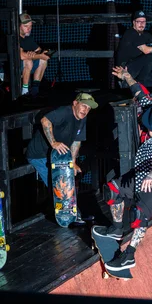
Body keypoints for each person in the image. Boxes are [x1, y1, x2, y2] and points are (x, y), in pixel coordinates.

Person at [92, 66, 152, 272]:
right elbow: (141, 93)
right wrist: (127, 76)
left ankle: (129, 255)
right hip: (141, 173)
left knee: (139, 214)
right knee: (112, 189)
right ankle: (115, 229)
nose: (149, 131)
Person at [26, 92, 98, 221]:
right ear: (75, 103)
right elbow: (45, 120)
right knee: (58, 185)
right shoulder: (64, 112)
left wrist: (73, 162)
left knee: (68, 180)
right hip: (39, 154)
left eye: (88, 108)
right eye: (83, 106)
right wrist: (53, 142)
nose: (85, 110)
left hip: (57, 156)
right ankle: (66, 215)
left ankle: (72, 213)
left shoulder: (82, 118)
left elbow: (77, 140)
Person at [19, 12, 51, 97]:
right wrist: (38, 55)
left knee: (43, 60)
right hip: (14, 68)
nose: (29, 29)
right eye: (26, 26)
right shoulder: (15, 37)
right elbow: (21, 56)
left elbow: (39, 50)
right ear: (19, 26)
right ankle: (24, 91)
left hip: (28, 67)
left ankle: (35, 90)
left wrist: (36, 54)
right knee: (28, 61)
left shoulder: (28, 38)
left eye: (30, 26)